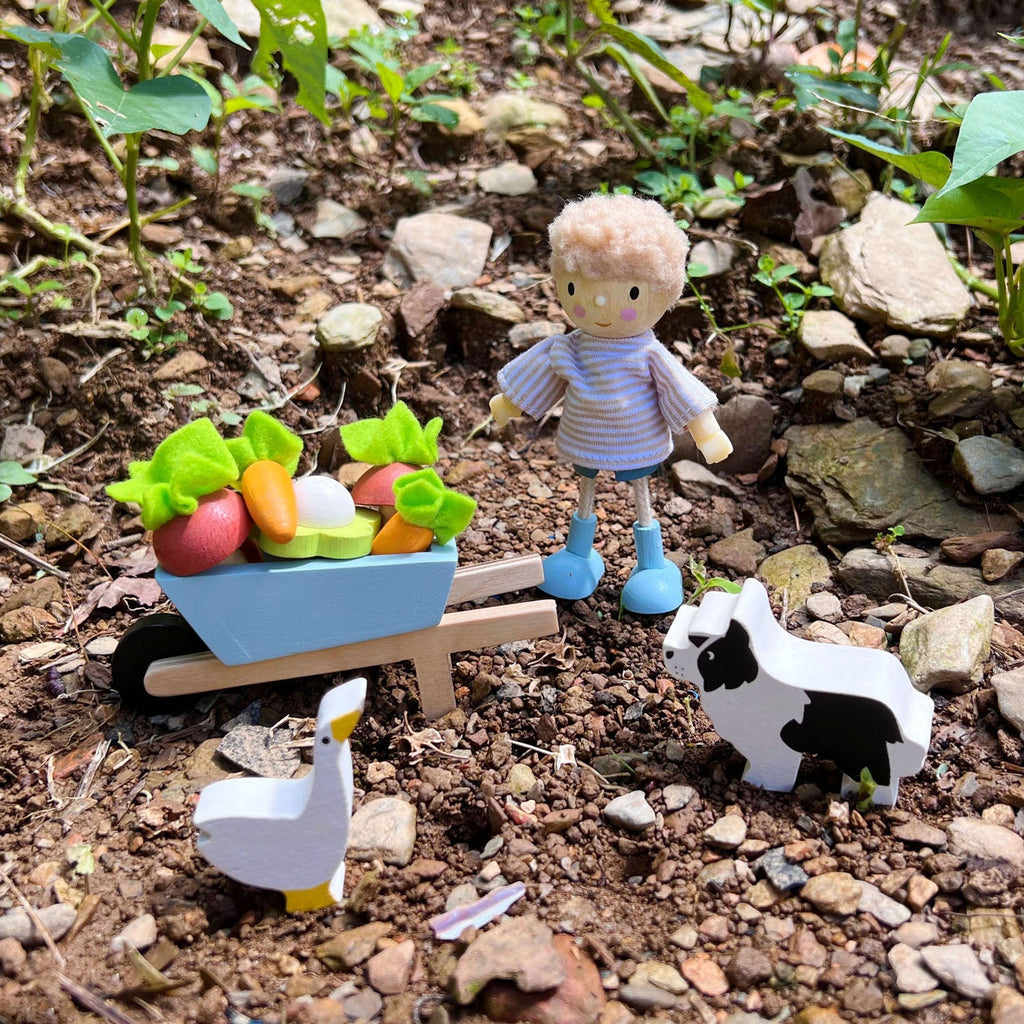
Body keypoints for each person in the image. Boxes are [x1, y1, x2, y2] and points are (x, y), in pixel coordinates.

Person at [490, 193, 732, 614]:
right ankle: (578, 555)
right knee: (585, 491)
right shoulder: (571, 347)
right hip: (586, 438)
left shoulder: (647, 352)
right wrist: (511, 404)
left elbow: (679, 387)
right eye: (574, 289)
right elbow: (543, 372)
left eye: (631, 293)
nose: (599, 306)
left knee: (642, 498)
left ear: (663, 292)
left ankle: (652, 565)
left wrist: (706, 430)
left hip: (636, 440)